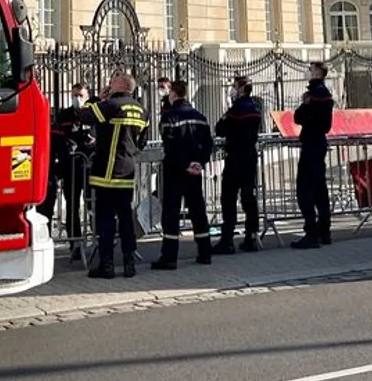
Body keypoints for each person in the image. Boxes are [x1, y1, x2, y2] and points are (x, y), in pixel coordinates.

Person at [76, 74, 149, 279]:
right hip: (127, 170)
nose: (109, 83)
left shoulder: (111, 105)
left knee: (105, 219)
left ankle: (106, 265)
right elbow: (142, 142)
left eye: (113, 81)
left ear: (121, 85)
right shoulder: (142, 110)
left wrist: (98, 99)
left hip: (106, 170)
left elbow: (84, 115)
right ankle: (129, 264)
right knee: (125, 217)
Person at [152, 80, 214, 270]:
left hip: (175, 171)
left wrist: (185, 164)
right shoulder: (200, 116)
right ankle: (205, 252)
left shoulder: (169, 117)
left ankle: (169, 257)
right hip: (194, 172)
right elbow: (208, 144)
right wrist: (198, 163)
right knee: (198, 211)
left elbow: (171, 146)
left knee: (171, 213)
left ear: (173, 94)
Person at [213, 75, 263, 254]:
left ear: (241, 88)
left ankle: (227, 240)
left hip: (235, 157)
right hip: (250, 155)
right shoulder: (256, 108)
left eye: (234, 86)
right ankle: (251, 236)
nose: (232, 89)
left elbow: (220, 128)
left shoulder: (236, 109)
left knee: (229, 198)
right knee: (249, 198)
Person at [291, 61, 334, 250]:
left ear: (317, 73)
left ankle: (312, 233)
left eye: (310, 70)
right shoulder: (321, 93)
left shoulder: (317, 94)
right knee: (319, 189)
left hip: (312, 143)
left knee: (305, 189)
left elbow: (299, 117)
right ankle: (324, 231)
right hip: (317, 143)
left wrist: (305, 107)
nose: (308, 72)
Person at [37, 105, 87, 261]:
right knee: (47, 210)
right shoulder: (55, 131)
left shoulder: (83, 123)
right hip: (53, 173)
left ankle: (75, 245)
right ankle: (48, 244)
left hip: (68, 171)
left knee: (71, 207)